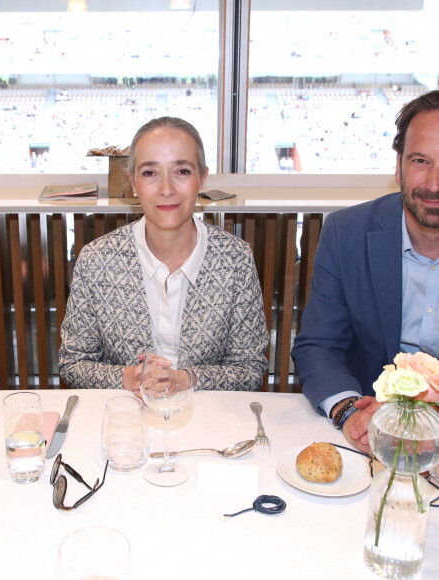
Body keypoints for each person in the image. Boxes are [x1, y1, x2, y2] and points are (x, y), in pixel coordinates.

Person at [59, 116, 268, 393]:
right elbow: (73, 363)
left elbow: (250, 367)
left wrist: (187, 380)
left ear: (202, 178)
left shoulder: (235, 259)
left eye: (182, 171)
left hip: (209, 419)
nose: (167, 189)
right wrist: (125, 378)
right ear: (133, 182)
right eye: (150, 173)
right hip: (126, 421)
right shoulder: (96, 260)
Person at [292, 90, 439, 452]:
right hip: (370, 428)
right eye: (421, 161)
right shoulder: (347, 232)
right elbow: (318, 346)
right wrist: (349, 412)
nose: (434, 184)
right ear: (398, 167)